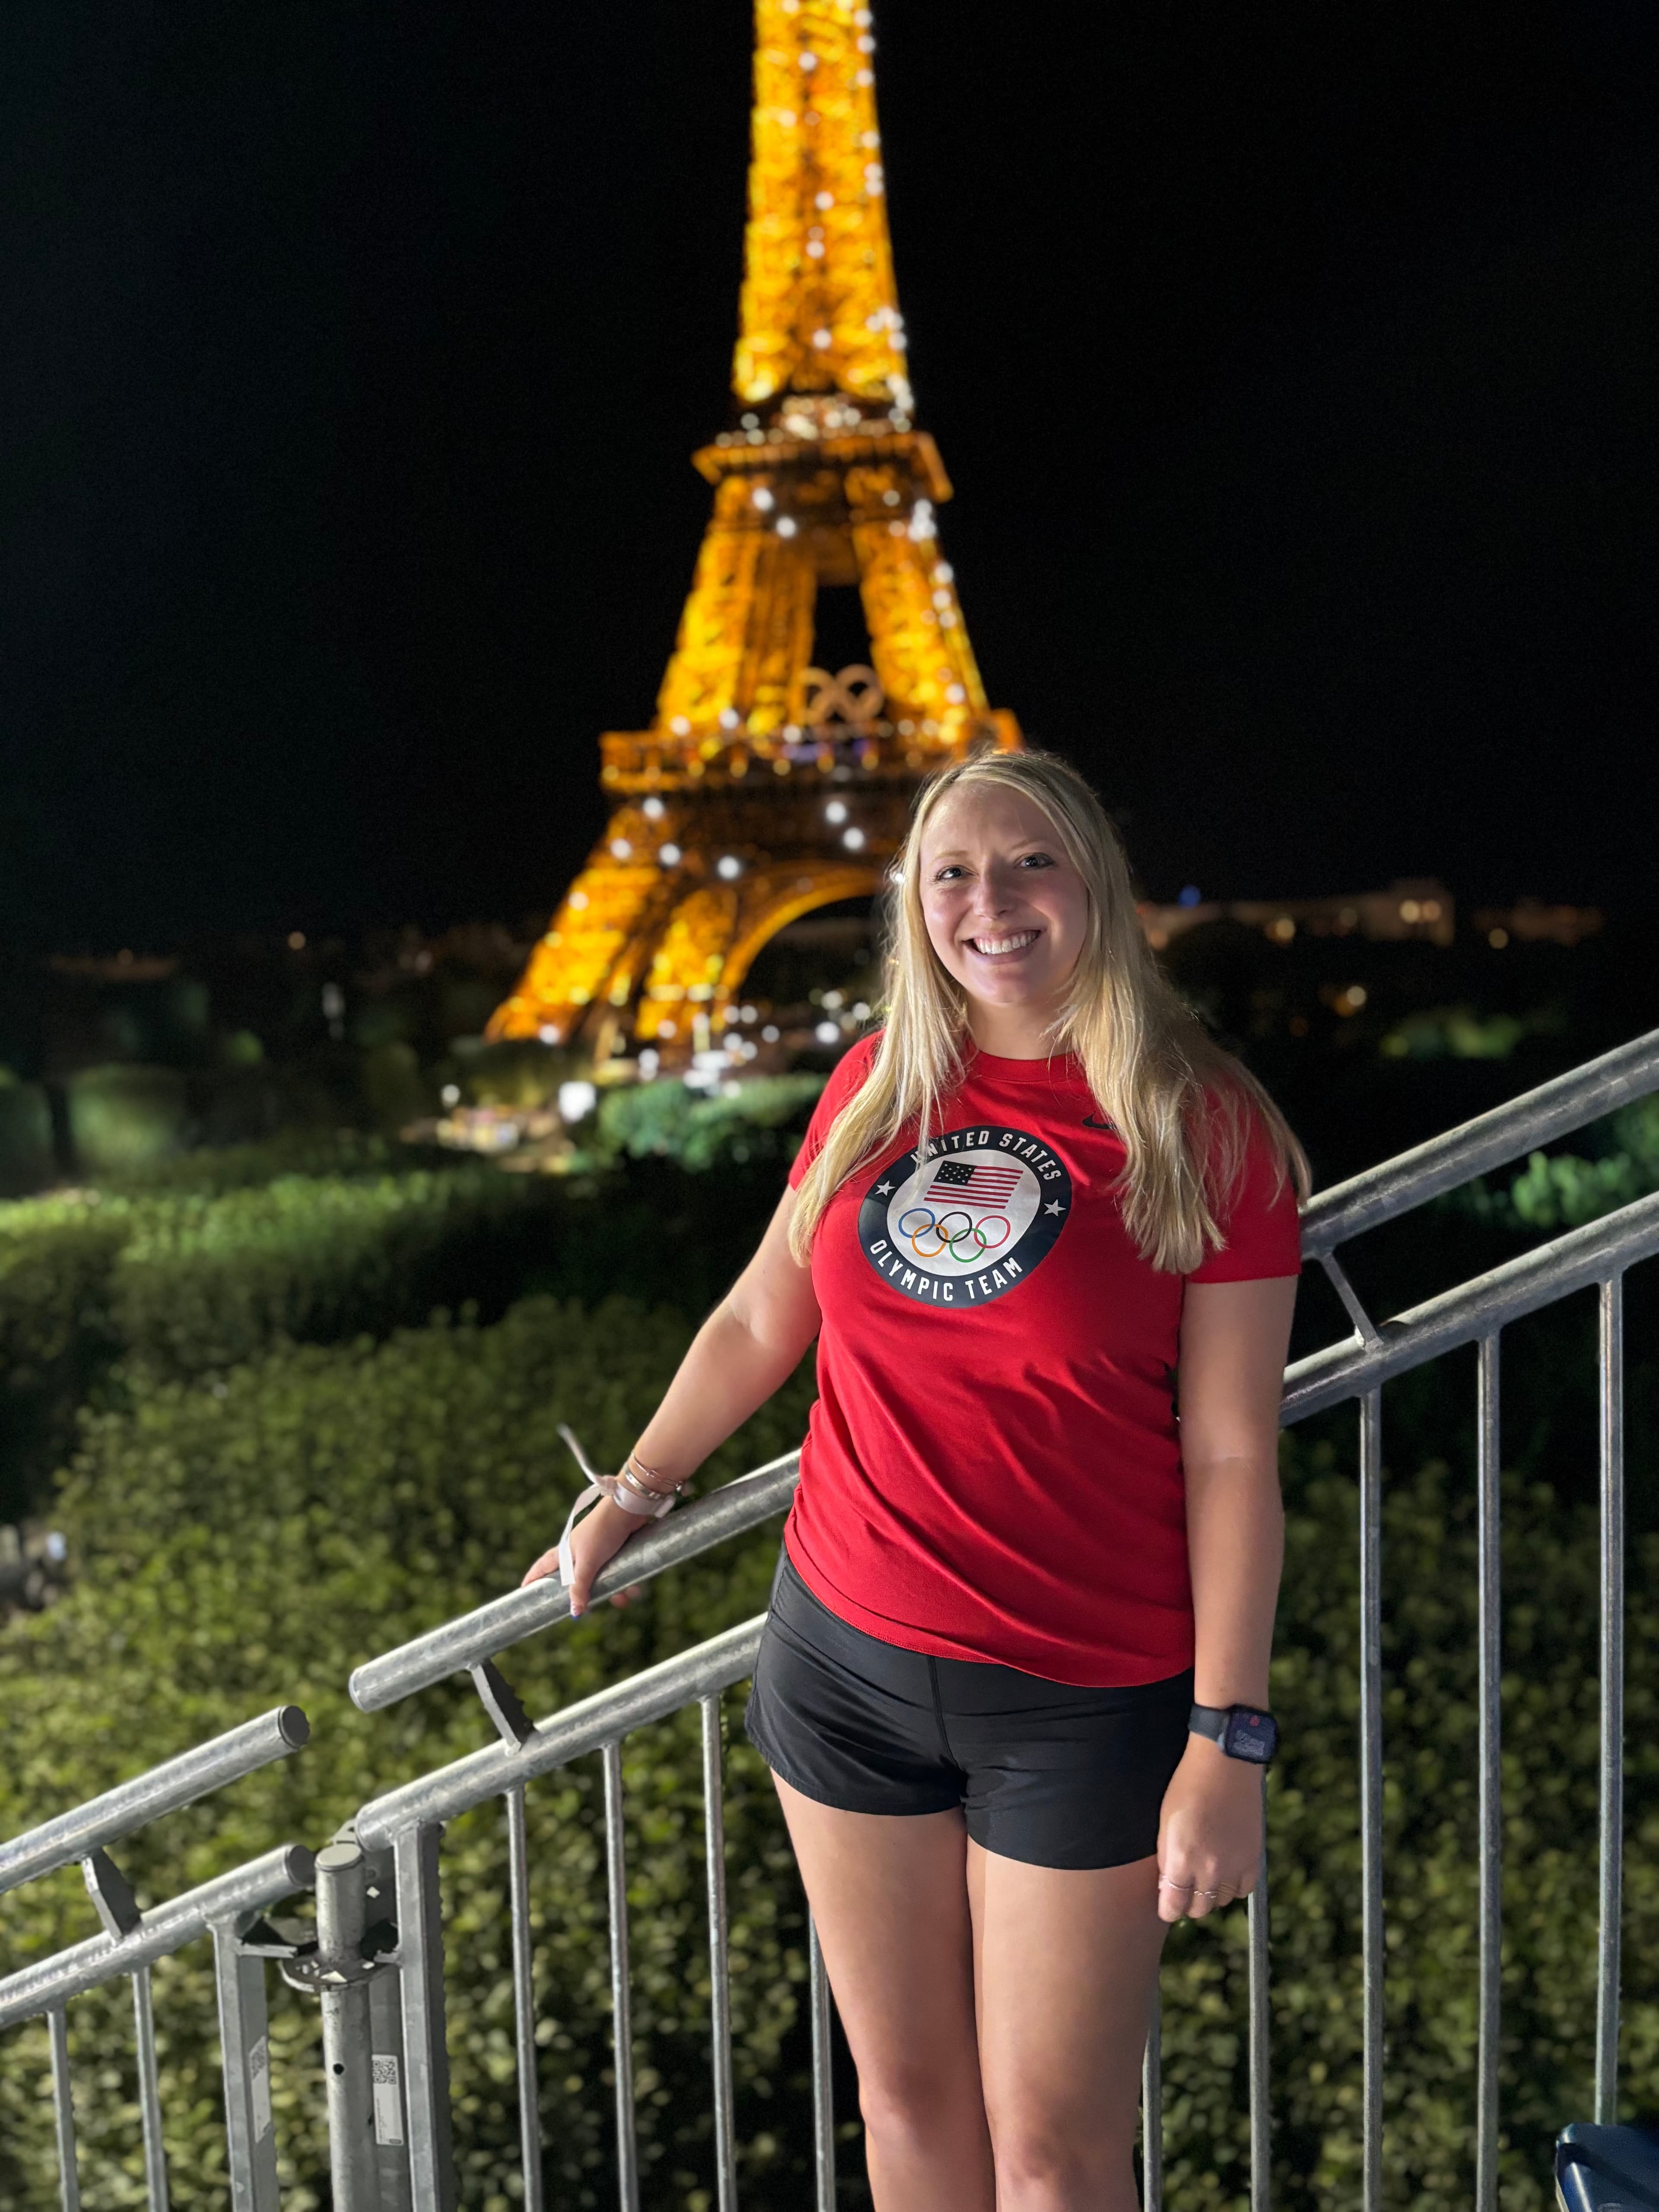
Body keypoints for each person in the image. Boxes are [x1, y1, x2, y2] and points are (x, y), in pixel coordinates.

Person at [522, 748, 1307, 2212]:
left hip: (1080, 1701)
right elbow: (764, 1314)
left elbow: (1233, 1454)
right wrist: (635, 1487)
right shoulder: (884, 1081)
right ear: (913, 905)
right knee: (906, 2109)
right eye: (952, 872)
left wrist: (1229, 1738)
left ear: (1095, 888)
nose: (988, 903)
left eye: (1029, 865)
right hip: (839, 1664)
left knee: (1058, 2162)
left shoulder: (1210, 1127)